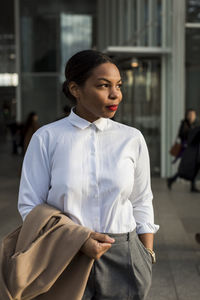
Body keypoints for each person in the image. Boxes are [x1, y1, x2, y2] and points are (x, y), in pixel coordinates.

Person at [18, 50, 159, 300]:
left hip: (124, 257)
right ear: (75, 89)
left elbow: (141, 200)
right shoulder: (47, 138)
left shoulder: (132, 138)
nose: (115, 94)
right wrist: (77, 240)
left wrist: (146, 255)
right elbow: (30, 206)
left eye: (118, 85)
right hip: (65, 255)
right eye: (104, 85)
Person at [167, 109, 199, 192]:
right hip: (187, 149)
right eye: (190, 115)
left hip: (195, 150)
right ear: (187, 115)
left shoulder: (196, 124)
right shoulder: (184, 124)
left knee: (194, 167)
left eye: (193, 115)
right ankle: (171, 179)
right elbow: (181, 135)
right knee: (184, 169)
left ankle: (192, 186)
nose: (192, 116)